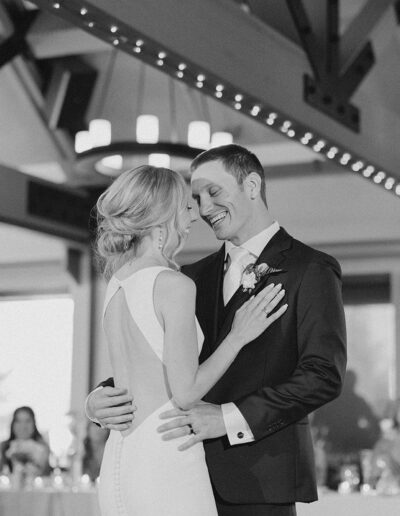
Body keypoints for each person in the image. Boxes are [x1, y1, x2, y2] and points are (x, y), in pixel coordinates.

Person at [87, 145, 347, 515]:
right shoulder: (187, 275)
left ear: (252, 185)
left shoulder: (310, 269)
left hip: (257, 480)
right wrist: (97, 402)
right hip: (176, 464)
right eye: (194, 197)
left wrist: (226, 419)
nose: (203, 208)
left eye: (214, 192)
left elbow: (322, 376)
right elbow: (161, 361)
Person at [0, 406, 50, 477]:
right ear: (13, 425)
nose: (23, 426)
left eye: (27, 421)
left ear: (34, 424)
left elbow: (45, 475)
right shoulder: (3, 446)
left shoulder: (42, 448)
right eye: (18, 421)